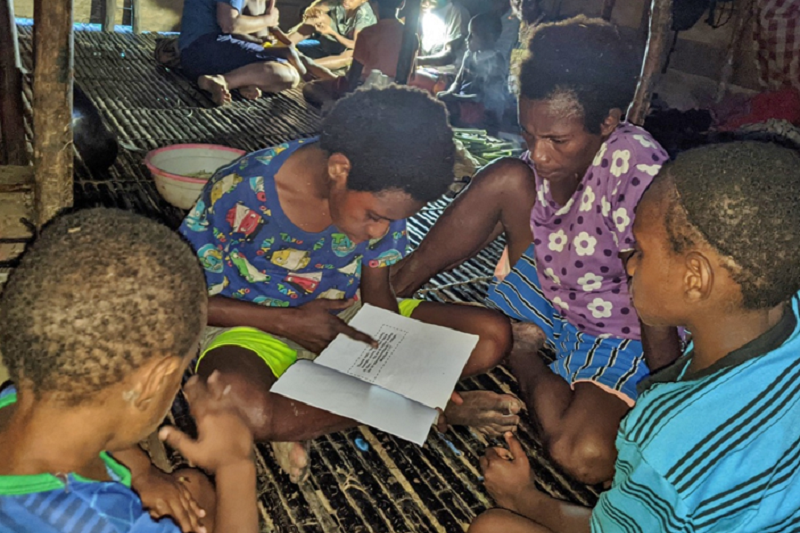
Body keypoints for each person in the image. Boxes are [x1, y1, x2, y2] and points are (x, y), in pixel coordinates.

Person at [391, 17, 682, 486]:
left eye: (557, 141)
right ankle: (386, 295)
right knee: (505, 176)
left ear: (608, 121)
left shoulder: (638, 167)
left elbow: (657, 292)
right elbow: (529, 185)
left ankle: (523, 353)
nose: (540, 155)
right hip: (555, 281)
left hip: (620, 323)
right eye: (530, 134)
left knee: (582, 454)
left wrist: (670, 390)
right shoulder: (544, 155)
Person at [178, 87, 521, 485]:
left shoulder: (388, 192)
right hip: (252, 326)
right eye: (374, 217)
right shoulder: (240, 190)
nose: (379, 230)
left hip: (352, 318)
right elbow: (184, 300)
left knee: (492, 336)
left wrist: (399, 362)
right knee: (237, 403)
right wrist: (289, 323)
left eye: (391, 221)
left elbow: (377, 292)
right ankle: (425, 412)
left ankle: (312, 412)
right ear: (339, 169)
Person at [470, 140, 800, 533]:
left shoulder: (666, 444)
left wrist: (524, 497)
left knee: (491, 527)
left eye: (639, 250)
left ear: (695, 279)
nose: (628, 266)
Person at [0, 208, 259, 533]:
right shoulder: (106, 523)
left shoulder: (17, 400)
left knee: (191, 488)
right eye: (178, 375)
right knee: (203, 497)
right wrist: (235, 464)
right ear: (153, 382)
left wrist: (141, 472)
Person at [301, 0, 412, 107]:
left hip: (365, 89)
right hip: (395, 92)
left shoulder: (368, 33)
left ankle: (334, 106)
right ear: (402, 3)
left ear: (373, 3)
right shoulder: (412, 37)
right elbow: (410, 74)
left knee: (311, 87)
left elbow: (354, 77)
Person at [437, 12, 508, 133]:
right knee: (438, 99)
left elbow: (485, 97)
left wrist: (456, 98)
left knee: (448, 109)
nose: (467, 39)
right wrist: (450, 92)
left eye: (472, 35)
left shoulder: (496, 61)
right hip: (464, 101)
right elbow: (458, 81)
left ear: (489, 38)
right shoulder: (469, 55)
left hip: (484, 109)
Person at [286, 0, 376, 71]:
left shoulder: (364, 14)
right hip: (336, 41)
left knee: (351, 56)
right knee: (317, 18)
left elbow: (357, 45)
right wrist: (312, 12)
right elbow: (316, 8)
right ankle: (285, 44)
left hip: (357, 49)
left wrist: (333, 33)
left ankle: (304, 66)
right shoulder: (341, 2)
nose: (346, 1)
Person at [417, 0, 469, 68]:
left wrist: (417, 61)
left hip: (447, 73)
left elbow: (449, 56)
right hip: (424, 71)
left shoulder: (457, 13)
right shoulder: (423, 13)